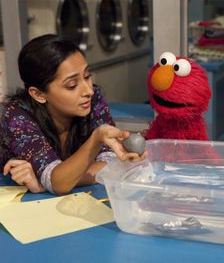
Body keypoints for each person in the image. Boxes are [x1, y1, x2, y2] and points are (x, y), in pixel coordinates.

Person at [0, 34, 146, 195]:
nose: (88, 90)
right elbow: (59, 182)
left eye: (87, 76)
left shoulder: (94, 98)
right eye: (72, 85)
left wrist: (47, 183)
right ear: (39, 94)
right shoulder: (17, 115)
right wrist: (95, 140)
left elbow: (109, 164)